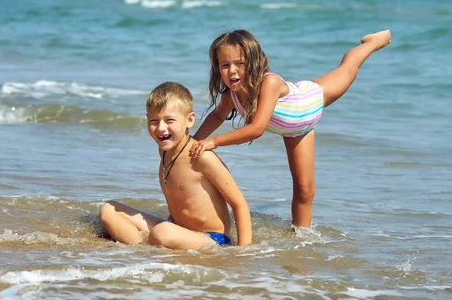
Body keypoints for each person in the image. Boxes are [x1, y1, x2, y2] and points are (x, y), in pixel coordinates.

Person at [189, 29, 391, 228]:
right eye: (225, 65)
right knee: (304, 189)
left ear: (254, 61)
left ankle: (372, 42)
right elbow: (217, 116)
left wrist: (213, 142)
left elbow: (256, 128)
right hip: (296, 130)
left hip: (309, 100)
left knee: (348, 68)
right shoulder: (230, 96)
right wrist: (193, 140)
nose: (232, 71)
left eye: (239, 64)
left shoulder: (270, 82)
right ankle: (301, 237)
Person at [99, 81, 252, 249]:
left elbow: (239, 204)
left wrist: (244, 252)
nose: (161, 128)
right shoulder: (164, 151)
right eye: (154, 121)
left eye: (169, 120)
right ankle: (142, 244)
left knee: (162, 232)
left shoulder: (202, 157)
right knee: (108, 209)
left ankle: (141, 241)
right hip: (177, 230)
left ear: (190, 120)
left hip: (211, 239)